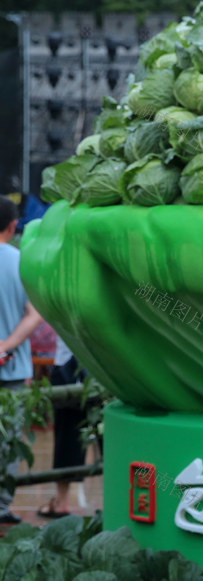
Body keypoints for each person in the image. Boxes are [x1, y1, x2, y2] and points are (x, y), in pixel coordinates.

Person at [0, 196, 42, 525]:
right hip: (12, 370)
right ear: (13, 226)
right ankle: (1, 506)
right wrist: (6, 346)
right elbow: (34, 314)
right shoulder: (21, 262)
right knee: (8, 441)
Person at [38, 335, 89, 518]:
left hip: (97, 366)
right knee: (67, 435)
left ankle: (61, 502)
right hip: (73, 366)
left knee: (109, 438)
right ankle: (61, 502)